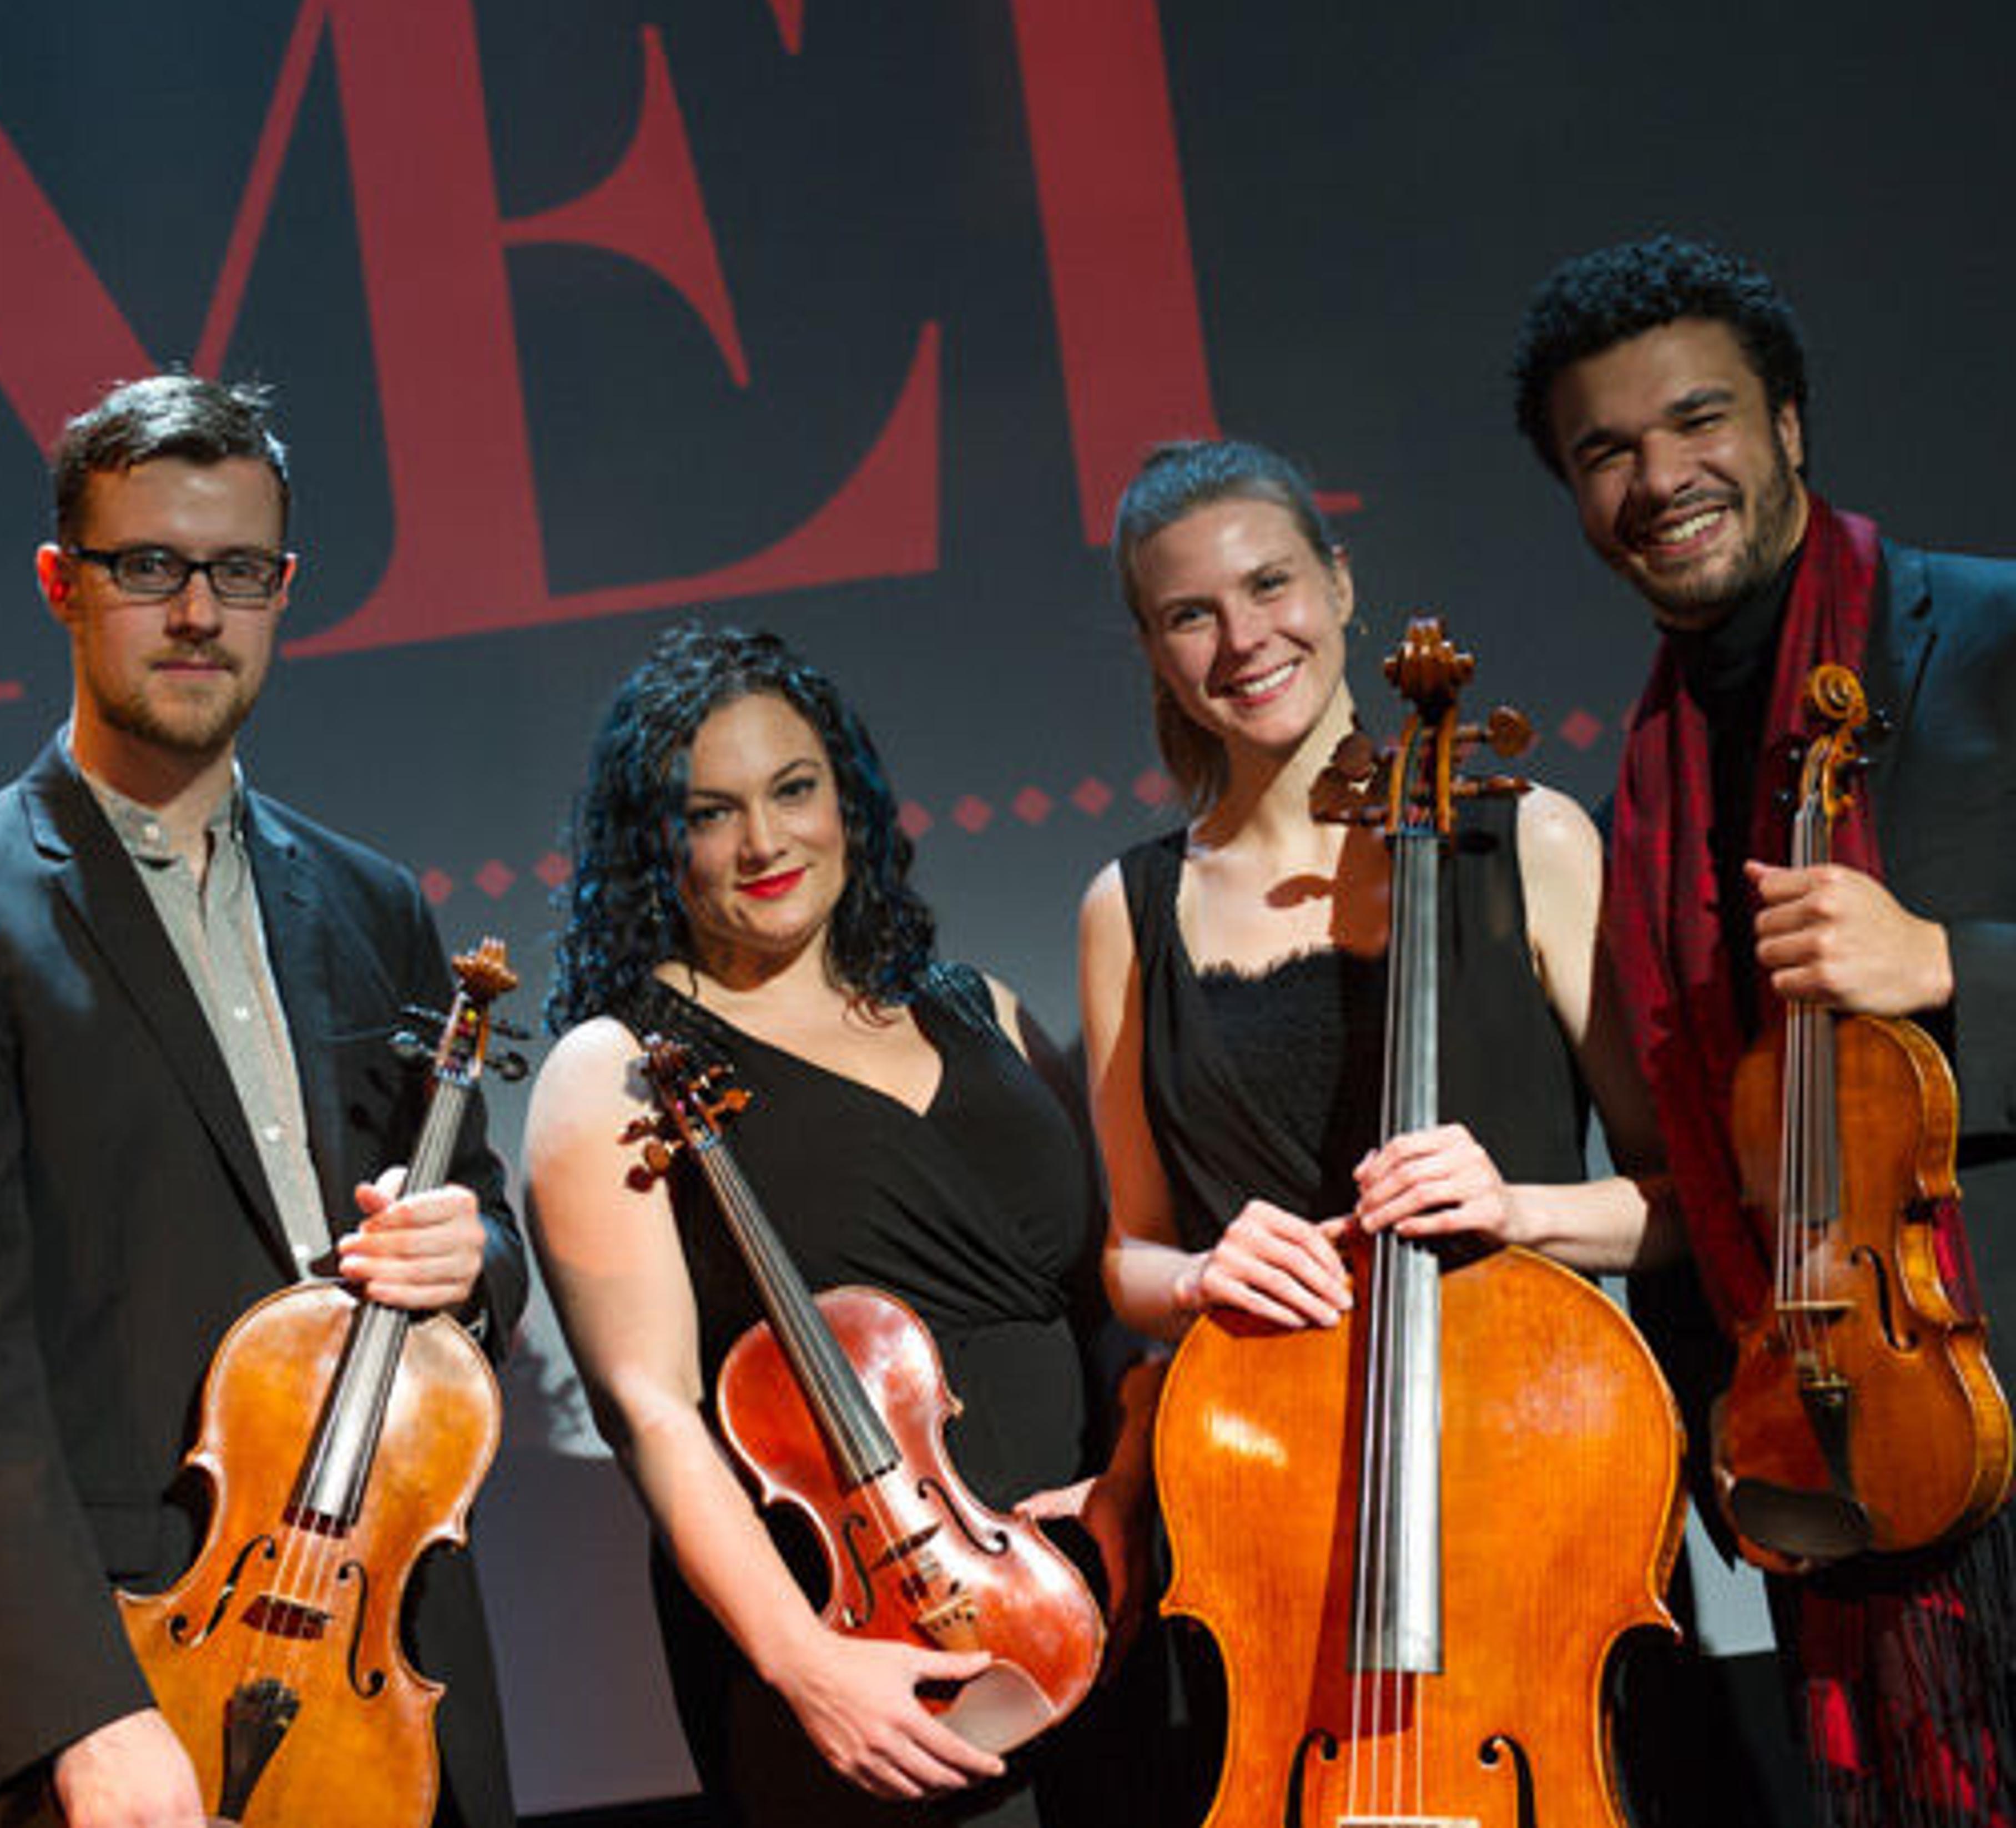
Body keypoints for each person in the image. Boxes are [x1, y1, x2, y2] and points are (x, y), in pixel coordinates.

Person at [0, 375, 527, 1828]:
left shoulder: (373, 902)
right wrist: (78, 1711)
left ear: (282, 592)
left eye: (237, 572)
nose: (196, 613)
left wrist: (474, 1257)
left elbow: (479, 1222)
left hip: (387, 1670)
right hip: (124, 1692)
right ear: (62, 584)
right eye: (149, 567)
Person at [1513, 231, 2016, 1828]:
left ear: (1788, 423)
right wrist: (1734, 1416)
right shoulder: (1644, 793)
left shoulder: (1993, 638)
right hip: (1855, 1471)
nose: (1660, 477)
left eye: (1700, 419)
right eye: (1606, 452)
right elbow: (1706, 1168)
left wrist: (1950, 963)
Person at [523, 623, 1161, 1827]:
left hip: (1102, 1606)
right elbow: (650, 1411)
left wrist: (1127, 1496)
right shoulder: (616, 1070)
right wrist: (806, 1664)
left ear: (848, 799)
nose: (764, 841)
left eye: (793, 789)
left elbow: (1109, 1310)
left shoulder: (983, 1009)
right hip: (878, 1660)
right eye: (710, 812)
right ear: (652, 845)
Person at [1081, 437, 1675, 1352]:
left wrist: (1516, 1210)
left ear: (1340, 584)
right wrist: (1196, 1277)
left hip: (1533, 1408)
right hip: (1260, 1422)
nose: (1243, 639)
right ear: (1154, 651)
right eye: (1192, 616)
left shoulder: (1532, 841)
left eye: (1270, 585)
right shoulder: (1128, 909)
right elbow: (1133, 1252)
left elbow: (1687, 1202)